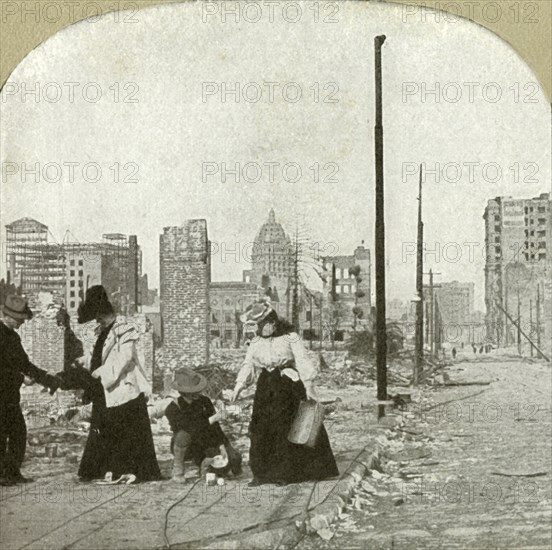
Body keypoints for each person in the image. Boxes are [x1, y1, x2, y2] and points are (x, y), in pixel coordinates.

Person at [231, 298, 339, 486]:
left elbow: (302, 360)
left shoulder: (291, 337)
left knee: (286, 427)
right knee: (260, 427)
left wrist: (309, 387)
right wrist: (239, 386)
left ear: (273, 322)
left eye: (264, 325)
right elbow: (248, 364)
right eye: (258, 326)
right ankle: (261, 474)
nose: (260, 329)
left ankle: (284, 473)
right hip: (266, 385)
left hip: (287, 384)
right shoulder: (256, 341)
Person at [70, 285, 161, 483]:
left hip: (123, 389)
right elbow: (100, 356)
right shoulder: (102, 331)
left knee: (127, 434)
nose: (97, 320)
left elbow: (124, 359)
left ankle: (129, 470)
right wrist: (86, 361)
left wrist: (101, 373)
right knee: (101, 429)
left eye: (99, 316)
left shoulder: (125, 330)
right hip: (105, 390)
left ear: (106, 313)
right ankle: (98, 469)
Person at [0, 295, 61, 485]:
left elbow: (25, 364)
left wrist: (48, 379)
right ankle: (2, 475)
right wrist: (21, 378)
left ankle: (12, 472)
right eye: (20, 319)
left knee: (18, 433)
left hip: (10, 396)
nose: (22, 322)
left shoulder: (13, 337)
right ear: (7, 316)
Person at [151, 367, 242, 481]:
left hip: (208, 441)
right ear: (183, 392)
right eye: (193, 391)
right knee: (182, 435)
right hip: (190, 445)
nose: (198, 393)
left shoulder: (204, 401)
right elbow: (190, 428)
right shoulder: (173, 408)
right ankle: (178, 471)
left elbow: (215, 428)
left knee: (233, 461)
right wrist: (212, 418)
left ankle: (205, 463)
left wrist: (222, 447)